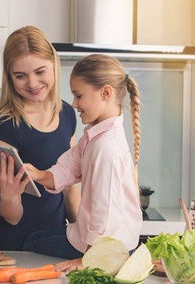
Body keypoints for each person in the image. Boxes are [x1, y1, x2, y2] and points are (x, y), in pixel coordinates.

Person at [25, 53, 143, 272]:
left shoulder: (106, 148)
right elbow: (69, 166)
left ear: (105, 93)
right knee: (34, 239)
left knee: (29, 242)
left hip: (105, 248)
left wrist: (87, 260)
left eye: (79, 96)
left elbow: (104, 215)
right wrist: (37, 174)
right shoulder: (95, 136)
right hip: (87, 236)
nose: (74, 104)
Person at [0, 26, 81, 254]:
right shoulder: (4, 126)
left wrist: (85, 234)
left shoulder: (67, 113)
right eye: (20, 76)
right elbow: (11, 217)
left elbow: (69, 187)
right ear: (9, 77)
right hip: (18, 247)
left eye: (40, 72)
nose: (32, 83)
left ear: (54, 65)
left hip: (56, 239)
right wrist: (9, 196)